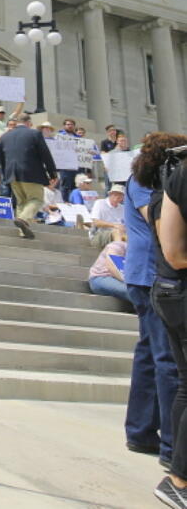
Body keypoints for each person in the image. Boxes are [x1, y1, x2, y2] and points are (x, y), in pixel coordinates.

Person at [125, 134, 185, 470]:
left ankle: (141, 430)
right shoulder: (145, 184)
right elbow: (161, 224)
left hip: (144, 274)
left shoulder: (144, 180)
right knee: (167, 360)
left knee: (149, 354)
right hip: (150, 275)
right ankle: (171, 446)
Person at [144, 141, 187, 507]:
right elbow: (172, 251)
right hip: (174, 290)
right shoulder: (175, 184)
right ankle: (178, 476)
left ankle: (175, 463)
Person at [0, 112, 59, 241]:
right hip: (31, 173)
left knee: (21, 203)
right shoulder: (34, 134)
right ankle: (23, 219)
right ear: (29, 123)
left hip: (11, 174)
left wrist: (4, 174)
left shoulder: (5, 137)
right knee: (36, 199)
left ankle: (22, 232)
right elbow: (45, 154)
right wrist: (52, 173)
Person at [87, 227, 130, 303]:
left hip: (116, 278)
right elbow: (115, 268)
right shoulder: (117, 245)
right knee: (134, 291)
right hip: (101, 277)